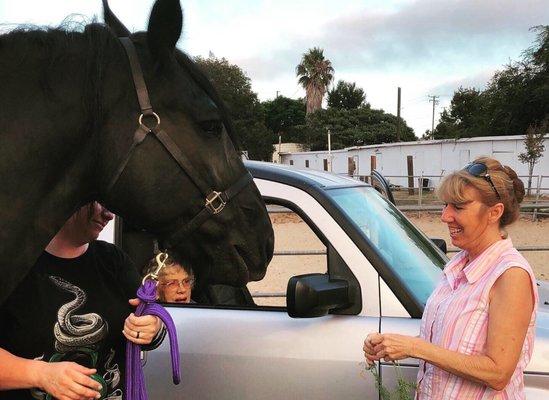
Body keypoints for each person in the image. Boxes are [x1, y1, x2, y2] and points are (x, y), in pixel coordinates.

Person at [363, 157, 538, 399]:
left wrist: (416, 347)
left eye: (458, 206)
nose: (445, 216)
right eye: (446, 205)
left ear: (494, 212)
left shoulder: (510, 275)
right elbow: (452, 344)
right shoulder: (458, 264)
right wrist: (396, 344)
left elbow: (498, 372)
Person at [0, 202, 162, 400]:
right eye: (100, 202)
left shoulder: (113, 260)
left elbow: (150, 315)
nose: (109, 215)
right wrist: (40, 374)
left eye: (111, 205)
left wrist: (153, 326)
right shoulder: (12, 263)